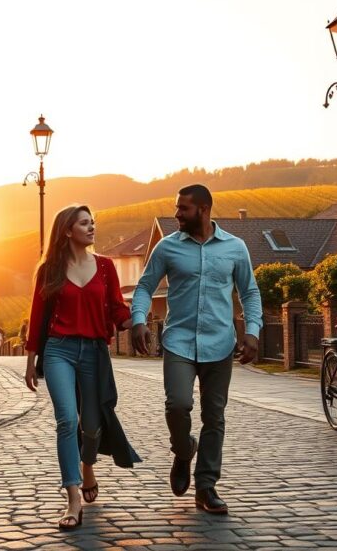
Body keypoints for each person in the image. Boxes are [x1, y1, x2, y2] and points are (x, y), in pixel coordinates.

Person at [131, 184, 262, 515]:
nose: (177, 213)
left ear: (203, 210)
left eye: (183, 208)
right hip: (179, 341)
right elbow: (145, 286)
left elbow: (249, 292)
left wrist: (252, 331)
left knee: (214, 417)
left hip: (220, 343)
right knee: (177, 404)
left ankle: (206, 487)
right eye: (177, 207)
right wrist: (139, 320)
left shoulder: (235, 247)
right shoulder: (167, 247)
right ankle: (183, 449)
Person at [25, 204, 141, 531]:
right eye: (84, 223)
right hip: (58, 350)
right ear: (67, 230)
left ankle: (87, 466)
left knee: (91, 425)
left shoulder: (105, 266)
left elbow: (118, 308)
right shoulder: (49, 270)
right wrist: (31, 362)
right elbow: (37, 316)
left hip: (94, 352)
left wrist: (137, 322)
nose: (92, 228)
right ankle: (72, 498)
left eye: (93, 222)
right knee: (66, 420)